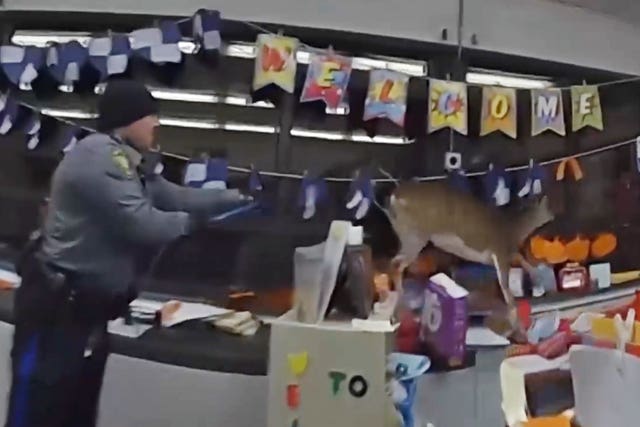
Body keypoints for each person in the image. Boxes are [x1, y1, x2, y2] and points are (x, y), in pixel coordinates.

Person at [4, 79, 253, 427]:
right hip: (55, 314)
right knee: (38, 414)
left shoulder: (130, 161)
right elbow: (142, 224)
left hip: (85, 314)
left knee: (76, 414)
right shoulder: (99, 156)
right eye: (150, 116)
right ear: (129, 119)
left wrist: (233, 198)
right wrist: (194, 223)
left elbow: (174, 196)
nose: (156, 124)